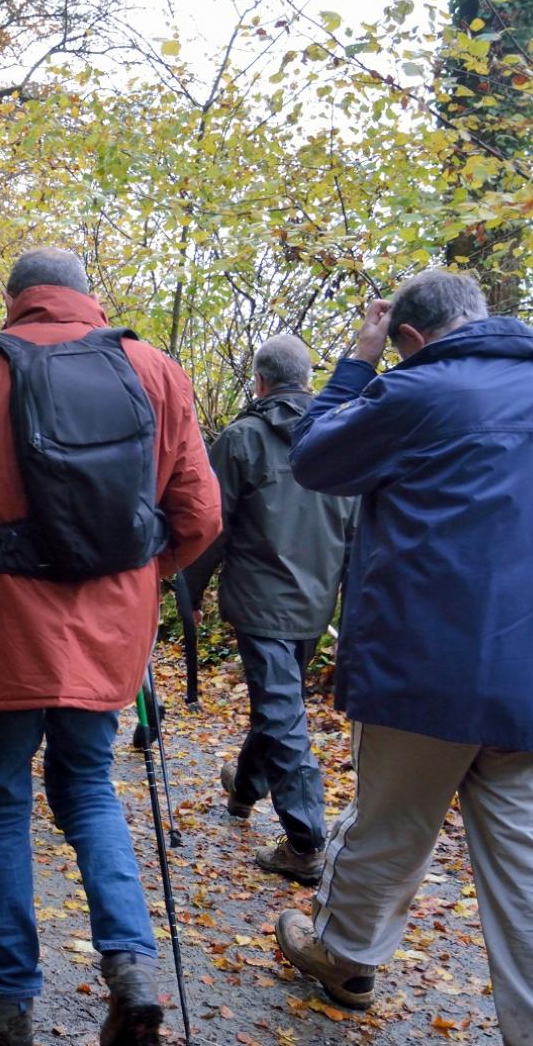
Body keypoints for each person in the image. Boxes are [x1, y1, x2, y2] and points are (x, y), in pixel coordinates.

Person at [273, 270, 533, 1045]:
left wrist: (358, 362)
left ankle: (343, 955)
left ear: (410, 337)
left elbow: (312, 457)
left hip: (423, 674)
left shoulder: (418, 392)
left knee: (387, 827)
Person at [0, 248, 221, 1046]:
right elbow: (200, 514)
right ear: (85, 295)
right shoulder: (155, 370)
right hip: (109, 634)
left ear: (15, 300)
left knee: (0, 800)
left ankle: (7, 999)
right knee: (90, 788)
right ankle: (130, 967)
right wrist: (138, 579)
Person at [181, 334, 356, 885]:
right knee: (279, 702)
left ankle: (305, 841)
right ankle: (246, 787)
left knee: (281, 711)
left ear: (259, 381)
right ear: (308, 380)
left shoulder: (242, 440)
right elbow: (357, 530)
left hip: (262, 601)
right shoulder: (343, 438)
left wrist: (189, 595)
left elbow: (208, 525)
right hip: (314, 599)